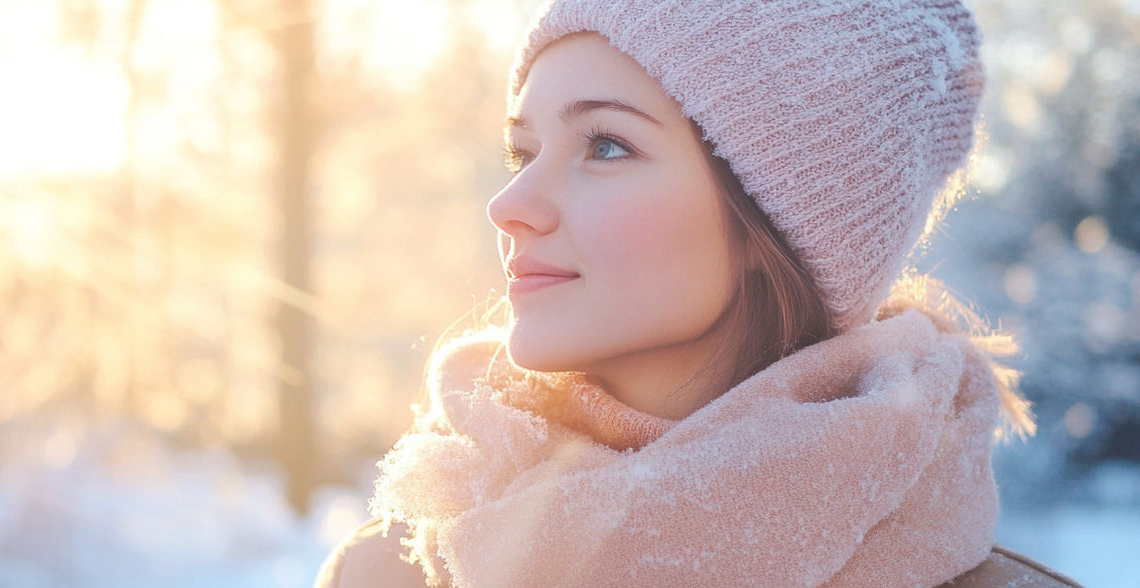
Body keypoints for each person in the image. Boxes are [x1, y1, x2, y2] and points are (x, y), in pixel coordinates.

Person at [316, 1, 1084, 586]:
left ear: (771, 222)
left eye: (606, 145)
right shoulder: (400, 564)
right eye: (523, 150)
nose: (510, 203)